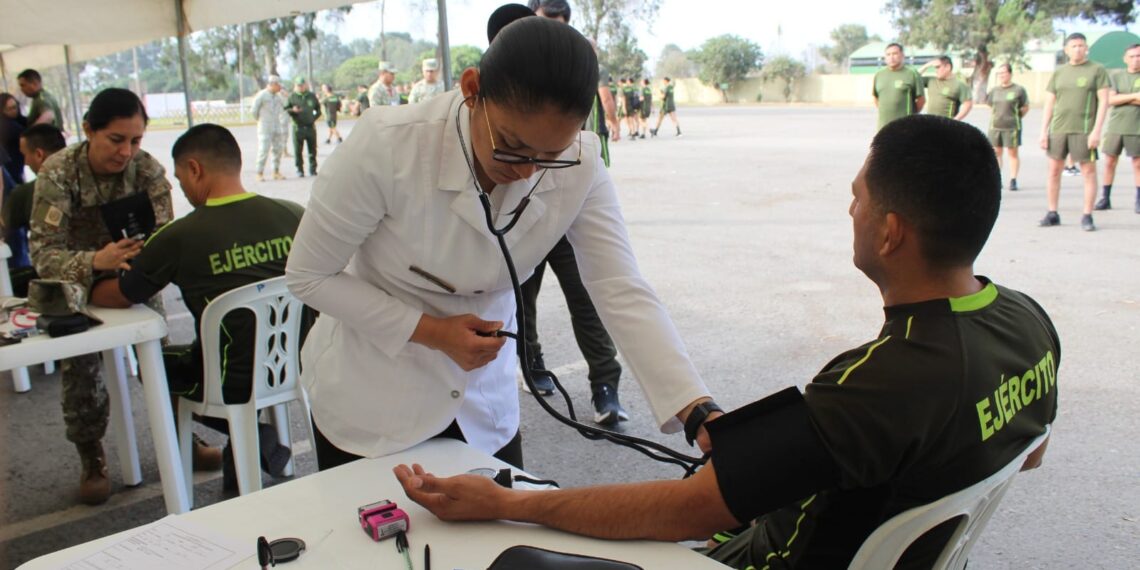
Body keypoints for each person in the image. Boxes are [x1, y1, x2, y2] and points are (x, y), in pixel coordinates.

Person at [394, 115, 1060, 569]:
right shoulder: (1028, 322)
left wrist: (507, 503)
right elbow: (1026, 455)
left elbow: (686, 512)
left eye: (857, 199)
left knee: (516, 559)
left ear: (889, 233)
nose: (849, 211)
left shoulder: (881, 384)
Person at [286, 16, 716, 472]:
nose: (528, 171)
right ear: (473, 90)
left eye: (552, 155)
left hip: (484, 406)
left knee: (498, 534)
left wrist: (696, 409)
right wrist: (431, 332)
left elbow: (619, 285)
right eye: (512, 145)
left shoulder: (583, 163)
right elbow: (309, 276)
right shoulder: (388, 145)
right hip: (374, 398)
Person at [89, 123, 306, 491]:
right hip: (295, 363)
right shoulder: (294, 214)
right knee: (237, 349)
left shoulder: (179, 236)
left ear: (195, 169)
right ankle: (246, 451)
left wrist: (94, 275)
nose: (183, 190)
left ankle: (246, 436)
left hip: (225, 379)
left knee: (153, 363)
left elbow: (122, 295)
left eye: (180, 178)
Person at [29, 88, 175, 505]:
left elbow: (167, 238)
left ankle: (184, 428)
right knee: (81, 365)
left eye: (135, 140)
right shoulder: (59, 174)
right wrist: (97, 260)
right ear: (89, 130)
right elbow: (43, 255)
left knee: (162, 355)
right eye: (116, 139)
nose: (126, 151)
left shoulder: (146, 171)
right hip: (76, 285)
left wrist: (139, 267)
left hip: (134, 279)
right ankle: (91, 454)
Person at [511, 1, 627, 423]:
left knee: (587, 296)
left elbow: (625, 285)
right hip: (523, 208)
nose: (555, 38)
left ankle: (605, 384)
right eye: (546, 26)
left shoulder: (584, 60)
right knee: (521, 298)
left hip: (575, 200)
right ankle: (532, 364)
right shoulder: (517, 64)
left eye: (562, 27)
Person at [1038, 33, 1110, 232]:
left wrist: (1097, 130)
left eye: (1081, 45)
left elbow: (1104, 101)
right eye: (1074, 46)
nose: (1078, 49)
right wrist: (1044, 131)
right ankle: (1052, 212)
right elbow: (1050, 102)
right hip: (1059, 129)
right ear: (1066, 49)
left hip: (1084, 130)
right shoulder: (1060, 73)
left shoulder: (1096, 70)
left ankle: (1087, 215)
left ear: (1086, 48)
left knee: (1088, 172)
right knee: (1054, 171)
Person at [1, 124, 65, 295]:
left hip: (54, 279)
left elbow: (3, 229)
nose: (25, 162)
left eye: (25, 155)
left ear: (38, 154)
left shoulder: (25, 193)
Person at [1093, 43, 1140, 213]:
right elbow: (1110, 100)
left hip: (1136, 128)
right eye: (1132, 56)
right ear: (1125, 59)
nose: (1136, 60)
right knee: (1110, 162)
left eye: (1138, 56)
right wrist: (1134, 96)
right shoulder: (1116, 76)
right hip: (1115, 126)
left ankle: (1138, 199)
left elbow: (1117, 98)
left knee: (1137, 163)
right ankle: (1105, 197)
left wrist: (1122, 97)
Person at [985, 63, 1030, 191]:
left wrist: (1016, 117)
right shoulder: (994, 90)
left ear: (1010, 73)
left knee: (1012, 153)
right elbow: (989, 105)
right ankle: (998, 179)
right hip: (995, 126)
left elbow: (1025, 107)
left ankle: (1013, 179)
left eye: (1004, 73)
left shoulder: (1018, 90)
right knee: (997, 153)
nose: (1002, 76)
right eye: (999, 73)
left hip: (1012, 127)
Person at [872, 43, 925, 131]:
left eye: (895, 54)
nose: (891, 57)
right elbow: (875, 97)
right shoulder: (879, 75)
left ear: (902, 55)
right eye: (888, 54)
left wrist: (910, 116)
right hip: (883, 128)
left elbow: (921, 100)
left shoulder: (912, 74)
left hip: (906, 127)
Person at [249, 75, 287, 182]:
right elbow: (254, 110)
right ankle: (259, 172)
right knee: (263, 150)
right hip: (265, 127)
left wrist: (284, 95)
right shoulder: (262, 95)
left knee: (278, 149)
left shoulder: (278, 97)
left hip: (276, 126)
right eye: (278, 85)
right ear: (272, 84)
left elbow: (285, 106)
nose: (279, 87)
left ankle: (276, 171)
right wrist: (261, 120)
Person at [286, 77, 321, 178]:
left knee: (312, 149)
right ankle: (299, 169)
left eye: (302, 85)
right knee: (298, 150)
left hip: (310, 127)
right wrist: (293, 110)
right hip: (298, 127)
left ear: (305, 85)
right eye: (298, 86)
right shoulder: (292, 97)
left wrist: (313, 118)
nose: (300, 87)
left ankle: (313, 169)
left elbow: (318, 110)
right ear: (295, 86)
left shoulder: (311, 96)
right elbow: (286, 109)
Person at [919, 56, 972, 120]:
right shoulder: (931, 80)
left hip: (946, 125)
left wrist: (956, 119)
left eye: (938, 67)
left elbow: (968, 104)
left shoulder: (959, 85)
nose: (936, 70)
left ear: (947, 67)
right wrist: (927, 65)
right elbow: (914, 78)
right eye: (935, 68)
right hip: (930, 123)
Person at [1, 92, 28, 183]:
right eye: (10, 109)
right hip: (11, 167)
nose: (14, 110)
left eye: (15, 107)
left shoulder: (17, 120)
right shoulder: (5, 125)